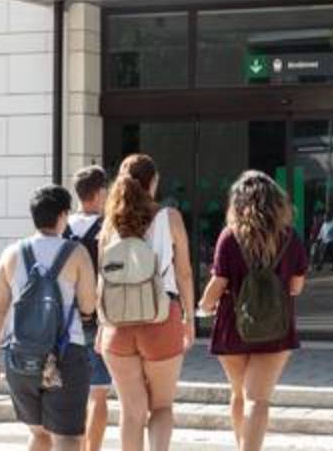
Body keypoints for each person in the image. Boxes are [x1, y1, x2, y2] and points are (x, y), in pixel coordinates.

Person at [198, 170, 309, 451]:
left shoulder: (229, 236)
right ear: (276, 202)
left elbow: (219, 281)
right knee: (257, 399)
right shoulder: (290, 237)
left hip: (233, 325)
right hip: (275, 326)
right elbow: (296, 287)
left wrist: (204, 306)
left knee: (239, 394)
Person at [0, 185, 97, 451]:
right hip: (67, 354)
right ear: (64, 215)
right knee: (67, 438)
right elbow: (88, 306)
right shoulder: (76, 252)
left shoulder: (11, 254)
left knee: (39, 434)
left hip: (21, 357)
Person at [98, 154, 195, 451]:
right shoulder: (170, 218)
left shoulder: (110, 223)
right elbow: (184, 273)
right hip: (161, 318)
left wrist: (102, 326)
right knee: (162, 407)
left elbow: (103, 278)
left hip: (117, 325)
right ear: (153, 182)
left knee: (131, 411)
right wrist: (190, 318)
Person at [63, 166, 111, 451]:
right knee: (99, 393)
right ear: (99, 192)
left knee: (72, 393)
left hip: (64, 319)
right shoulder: (107, 228)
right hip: (98, 316)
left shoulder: (61, 226)